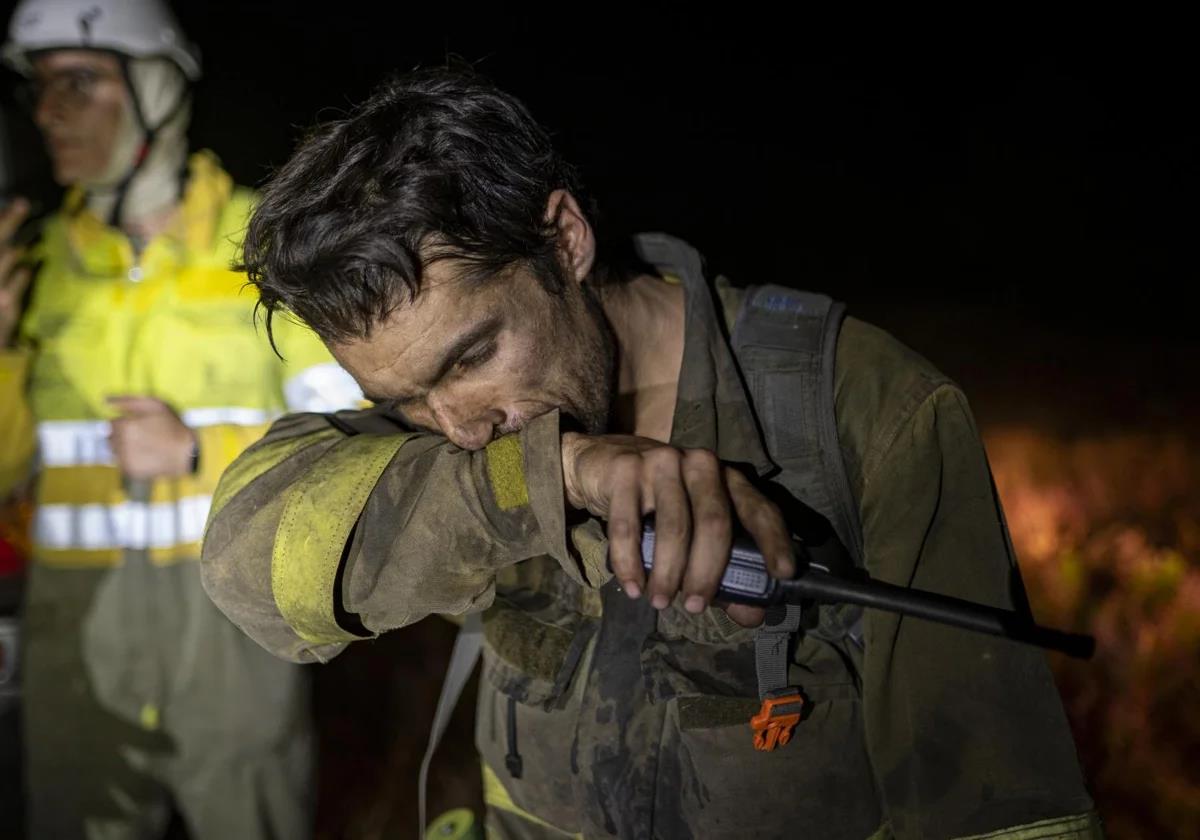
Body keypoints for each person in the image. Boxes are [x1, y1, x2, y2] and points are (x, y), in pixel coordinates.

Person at [202, 67, 1101, 839]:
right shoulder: (449, 427)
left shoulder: (860, 408)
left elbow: (998, 803)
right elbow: (251, 569)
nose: (460, 427)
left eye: (473, 356)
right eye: (398, 400)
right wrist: (550, 473)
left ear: (564, 240)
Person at [0, 1, 361, 836]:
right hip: (80, 652)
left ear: (157, 87)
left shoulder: (268, 245)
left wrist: (202, 449)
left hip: (230, 634)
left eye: (79, 83)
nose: (50, 113)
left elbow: (363, 438)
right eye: (41, 90)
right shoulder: (35, 267)